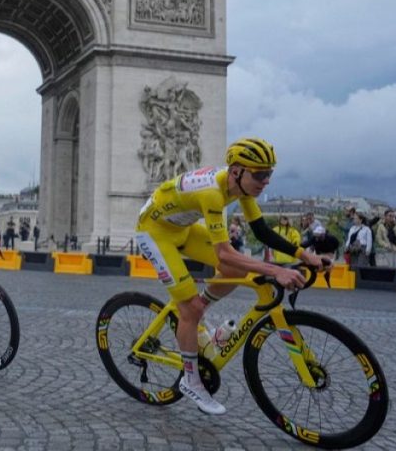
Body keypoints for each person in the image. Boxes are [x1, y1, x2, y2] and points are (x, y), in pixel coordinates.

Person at [134, 138, 324, 415]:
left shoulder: (242, 188)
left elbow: (261, 232)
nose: (265, 181)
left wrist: (305, 256)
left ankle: (194, 318)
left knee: (238, 270)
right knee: (192, 308)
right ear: (237, 171)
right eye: (260, 174)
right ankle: (191, 379)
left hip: (181, 230)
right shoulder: (213, 193)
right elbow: (223, 254)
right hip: (154, 233)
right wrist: (276, 270)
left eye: (269, 174)